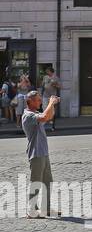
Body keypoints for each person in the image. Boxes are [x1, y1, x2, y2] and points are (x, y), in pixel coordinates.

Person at [22, 89, 58, 217]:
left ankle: (46, 209)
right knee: (36, 182)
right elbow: (44, 116)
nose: (39, 101)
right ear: (29, 102)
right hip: (36, 153)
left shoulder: (35, 112)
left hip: (43, 152)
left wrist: (52, 105)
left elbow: (48, 116)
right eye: (37, 100)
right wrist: (50, 103)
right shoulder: (28, 116)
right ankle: (31, 209)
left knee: (48, 182)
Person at [41, 67, 61, 131]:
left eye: (48, 71)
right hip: (45, 95)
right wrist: (41, 93)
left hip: (52, 96)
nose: (47, 72)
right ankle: (44, 122)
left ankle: (52, 124)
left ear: (51, 71)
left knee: (52, 110)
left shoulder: (56, 78)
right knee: (44, 109)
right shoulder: (45, 77)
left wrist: (55, 85)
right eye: (47, 71)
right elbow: (43, 85)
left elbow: (60, 86)